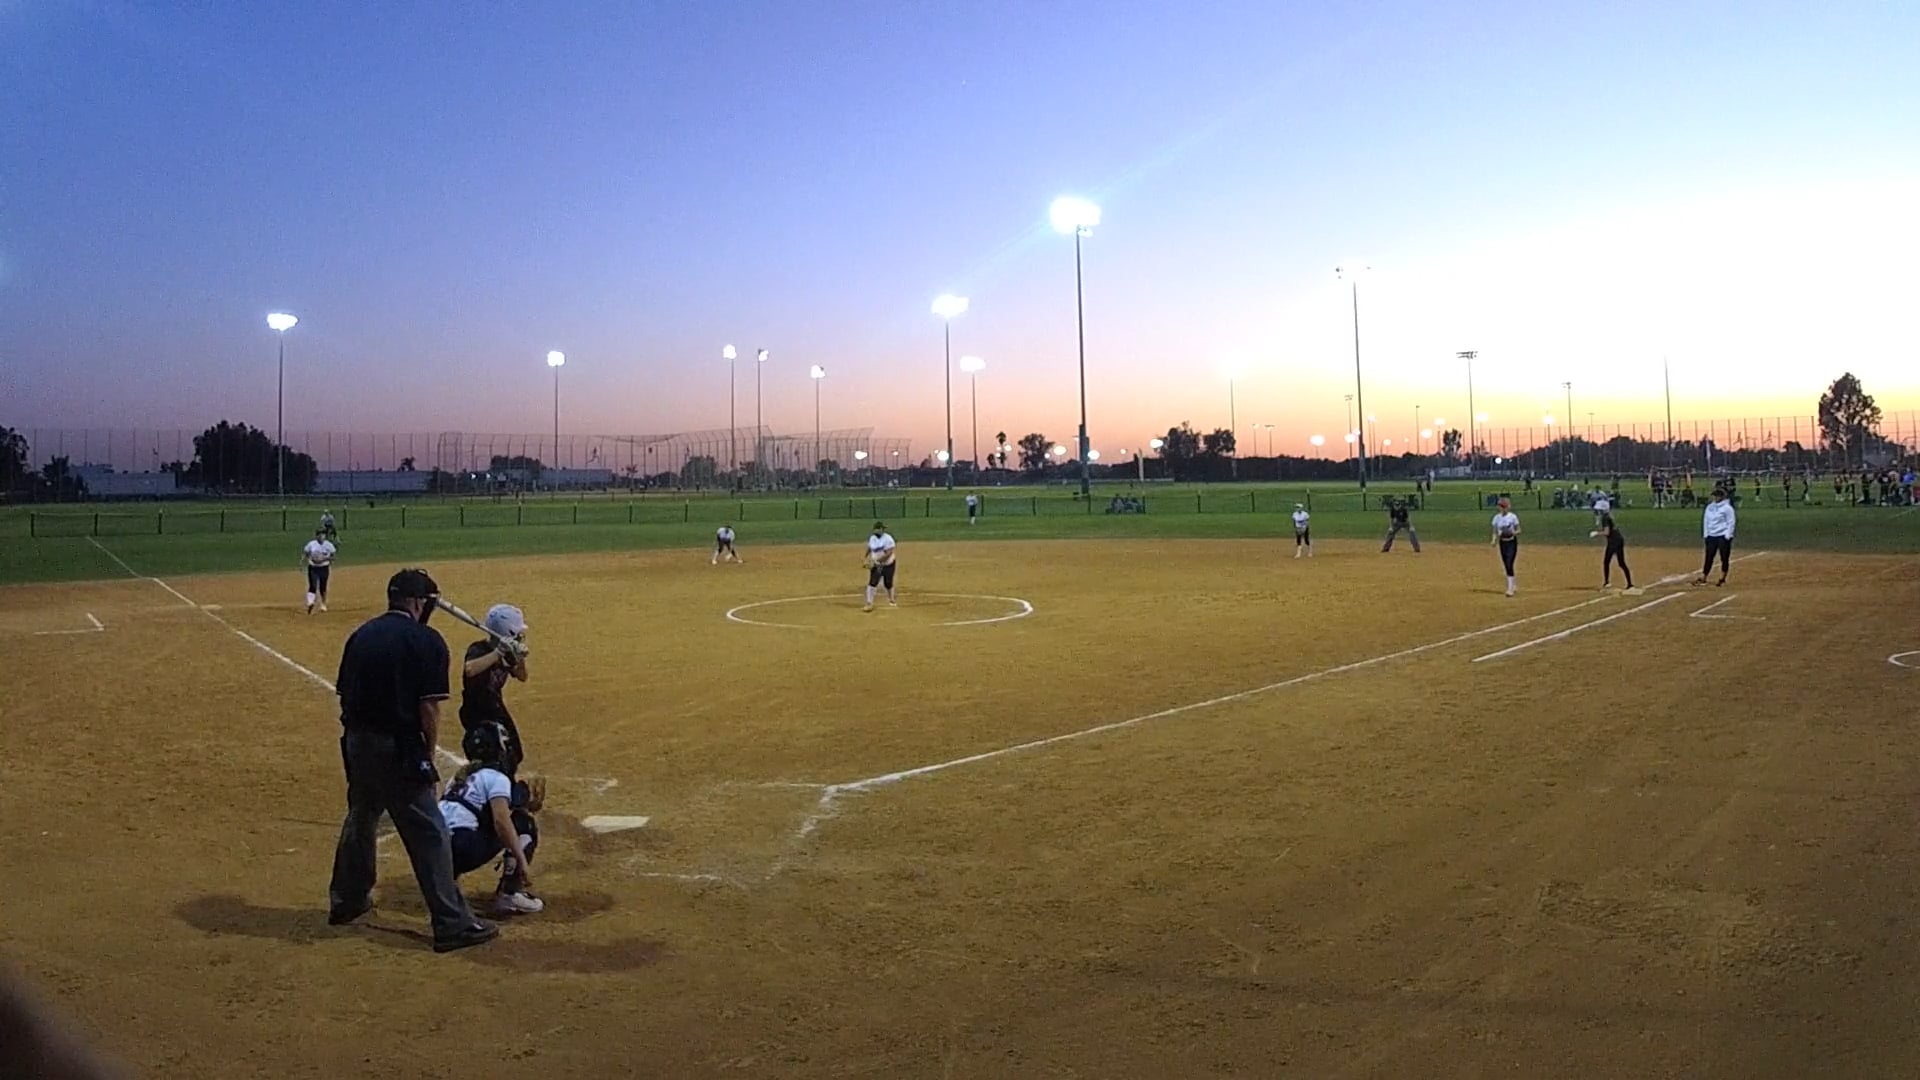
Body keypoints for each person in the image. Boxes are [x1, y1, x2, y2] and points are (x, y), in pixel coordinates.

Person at [327, 568, 496, 953]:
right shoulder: (426, 640)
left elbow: (344, 694)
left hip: (357, 742)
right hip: (399, 748)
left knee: (361, 817)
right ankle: (452, 923)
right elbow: (429, 709)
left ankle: (347, 900)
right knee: (429, 831)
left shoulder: (361, 635)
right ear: (420, 603)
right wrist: (427, 756)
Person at [439, 721, 543, 916]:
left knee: (464, 823)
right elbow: (501, 822)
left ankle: (448, 890)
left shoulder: (459, 777)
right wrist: (522, 861)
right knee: (523, 823)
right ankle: (510, 894)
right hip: (462, 848)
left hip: (433, 852)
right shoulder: (496, 777)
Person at [461, 604, 530, 774]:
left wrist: (519, 657)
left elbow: (522, 676)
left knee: (515, 753)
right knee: (492, 756)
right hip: (477, 712)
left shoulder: (508, 651)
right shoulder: (479, 649)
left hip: (495, 708)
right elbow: (470, 670)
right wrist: (497, 653)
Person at [1696, 488, 1736, 586]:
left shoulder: (1727, 508)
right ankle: (1704, 576)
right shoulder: (1710, 507)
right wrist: (1706, 534)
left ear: (1722, 497)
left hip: (1722, 535)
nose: (1715, 497)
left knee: (1724, 557)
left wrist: (1727, 535)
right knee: (1709, 556)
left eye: (1717, 496)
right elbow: (1706, 520)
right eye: (1714, 495)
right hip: (1711, 535)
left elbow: (1731, 522)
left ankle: (1722, 577)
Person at [1591, 510, 1636, 592]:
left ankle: (1607, 583)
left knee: (1607, 561)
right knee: (1621, 563)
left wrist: (1596, 533)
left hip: (1613, 541)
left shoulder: (1605, 518)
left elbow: (1606, 532)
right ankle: (1630, 584)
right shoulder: (1608, 516)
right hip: (1619, 540)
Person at [863, 521, 897, 612]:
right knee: (873, 582)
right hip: (877, 565)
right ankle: (869, 603)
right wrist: (865, 558)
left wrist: (876, 561)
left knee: (888, 583)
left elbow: (888, 553)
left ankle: (891, 599)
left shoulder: (888, 539)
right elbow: (869, 548)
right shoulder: (872, 538)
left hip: (888, 564)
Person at [1490, 498, 1521, 597]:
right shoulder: (1496, 518)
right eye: (1501, 506)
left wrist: (1513, 532)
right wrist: (1494, 540)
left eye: (1504, 506)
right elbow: (1494, 531)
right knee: (1506, 564)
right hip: (1502, 543)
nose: (1503, 508)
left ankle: (1510, 588)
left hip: (1512, 542)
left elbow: (1519, 530)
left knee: (1509, 563)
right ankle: (1513, 584)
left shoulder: (1513, 517)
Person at [302, 528, 336, 614]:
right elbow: (306, 554)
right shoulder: (311, 544)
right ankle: (310, 602)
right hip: (313, 567)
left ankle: (323, 604)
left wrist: (325, 558)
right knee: (313, 585)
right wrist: (303, 562)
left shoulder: (329, 545)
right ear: (316, 536)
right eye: (320, 534)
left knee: (323, 586)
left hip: (324, 568)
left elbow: (333, 556)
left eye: (323, 534)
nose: (321, 536)